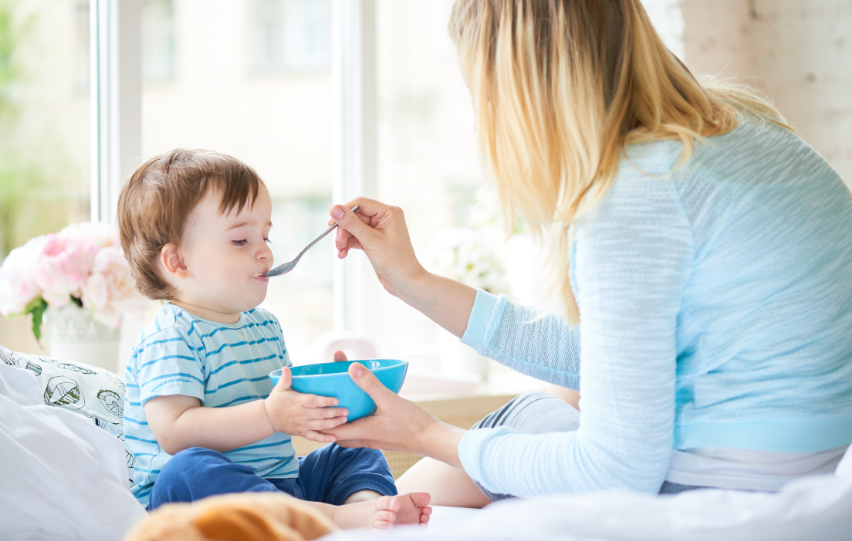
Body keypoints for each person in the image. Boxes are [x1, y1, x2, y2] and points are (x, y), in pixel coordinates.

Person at [318, 0, 852, 507]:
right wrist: (412, 280)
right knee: (547, 406)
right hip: (807, 475)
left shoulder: (640, 189)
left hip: (725, 495)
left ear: (521, 88)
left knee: (525, 418)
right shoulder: (739, 131)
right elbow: (616, 355)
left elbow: (615, 470)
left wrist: (426, 434)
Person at [116, 149, 431, 529]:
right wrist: (269, 415)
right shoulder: (170, 337)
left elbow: (289, 405)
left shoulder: (264, 326)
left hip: (280, 486)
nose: (265, 252)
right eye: (240, 241)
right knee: (186, 470)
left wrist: (333, 394)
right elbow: (175, 433)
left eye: (264, 235)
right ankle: (334, 519)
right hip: (199, 506)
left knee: (352, 452)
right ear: (178, 262)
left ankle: (369, 509)